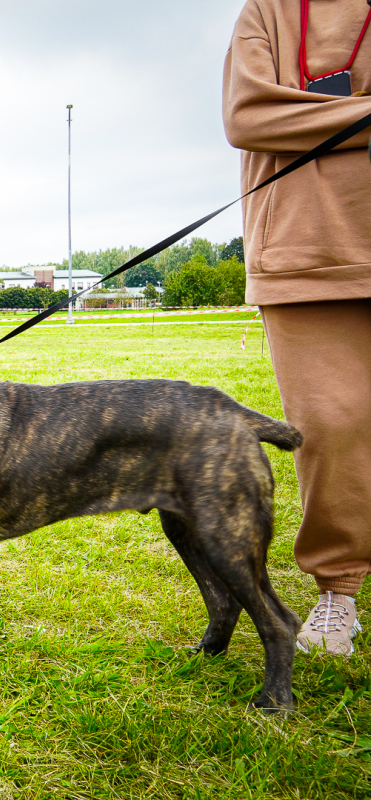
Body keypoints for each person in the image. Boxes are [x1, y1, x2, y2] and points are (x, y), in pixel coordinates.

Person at [224, 0, 371, 654]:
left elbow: (283, 118)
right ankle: (339, 588)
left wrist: (314, 119)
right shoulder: (266, 11)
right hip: (303, 253)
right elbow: (250, 116)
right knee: (331, 426)